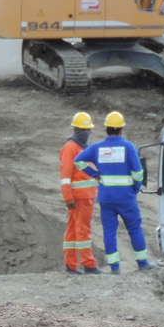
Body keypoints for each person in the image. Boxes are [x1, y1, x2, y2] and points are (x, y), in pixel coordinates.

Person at [75, 111, 151, 273]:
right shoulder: (128, 147)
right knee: (135, 228)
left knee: (109, 231)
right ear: (121, 130)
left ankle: (115, 268)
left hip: (106, 198)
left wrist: (96, 175)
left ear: (106, 130)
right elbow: (138, 173)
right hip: (126, 197)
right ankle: (143, 263)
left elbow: (78, 161)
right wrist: (135, 189)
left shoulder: (96, 147)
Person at [59, 111, 101, 275]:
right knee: (83, 230)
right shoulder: (71, 148)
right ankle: (89, 264)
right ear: (76, 130)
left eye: (87, 130)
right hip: (79, 198)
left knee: (73, 230)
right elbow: (65, 176)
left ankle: (71, 264)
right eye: (83, 130)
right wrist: (68, 197)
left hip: (85, 196)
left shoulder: (83, 148)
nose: (86, 133)